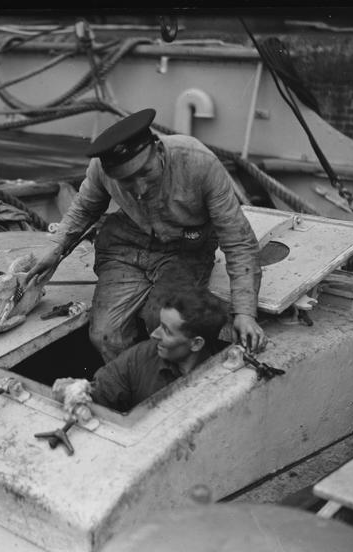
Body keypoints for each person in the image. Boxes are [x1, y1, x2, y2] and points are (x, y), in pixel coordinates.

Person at [26, 109, 266, 362]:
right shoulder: (100, 169)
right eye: (127, 181)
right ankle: (132, 383)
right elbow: (84, 208)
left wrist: (245, 313)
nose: (139, 189)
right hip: (126, 246)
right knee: (104, 335)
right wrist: (56, 247)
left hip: (186, 249)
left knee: (160, 324)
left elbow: (238, 241)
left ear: (159, 151)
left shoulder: (200, 163)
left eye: (145, 173)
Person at [80, 286, 228, 413]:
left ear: (196, 344)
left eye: (167, 331)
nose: (154, 334)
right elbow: (99, 393)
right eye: (160, 325)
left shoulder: (223, 385)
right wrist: (76, 394)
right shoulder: (141, 356)